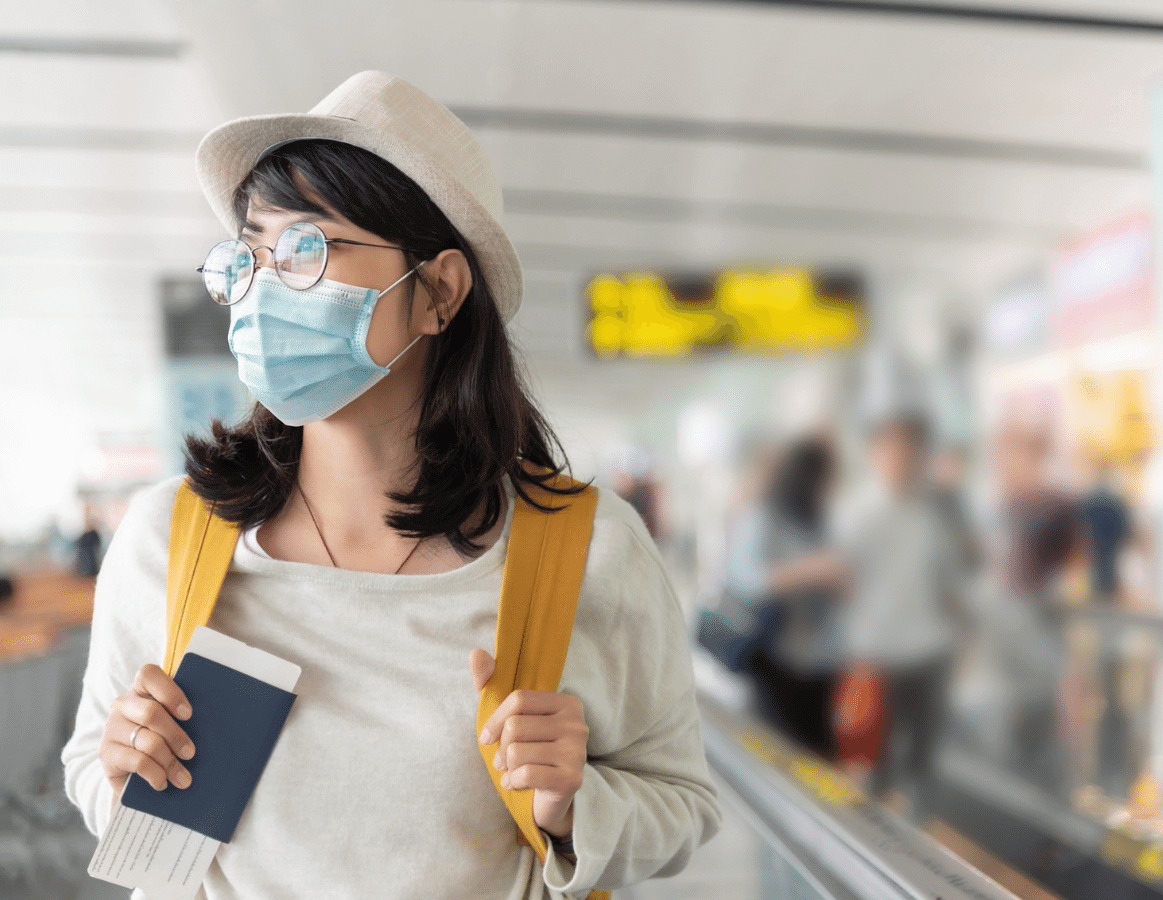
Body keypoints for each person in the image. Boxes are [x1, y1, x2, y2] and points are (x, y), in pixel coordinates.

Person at [61, 72, 720, 900]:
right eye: (251, 254)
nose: (265, 287)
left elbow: (684, 804)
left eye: (306, 248)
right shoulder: (171, 537)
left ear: (439, 291)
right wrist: (123, 771)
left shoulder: (585, 550)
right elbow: (95, 770)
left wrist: (575, 804)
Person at [836, 410, 968, 822]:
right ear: (876, 454)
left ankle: (920, 842)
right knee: (874, 758)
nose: (902, 460)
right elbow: (839, 580)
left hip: (929, 650)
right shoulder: (855, 514)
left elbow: (950, 579)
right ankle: (876, 844)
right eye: (892, 450)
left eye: (910, 452)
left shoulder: (932, 515)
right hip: (876, 654)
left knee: (924, 758)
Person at [724, 437, 846, 758]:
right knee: (776, 754)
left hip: (820, 662)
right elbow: (742, 578)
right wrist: (809, 571)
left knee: (818, 759)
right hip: (775, 661)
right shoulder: (765, 517)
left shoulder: (822, 521)